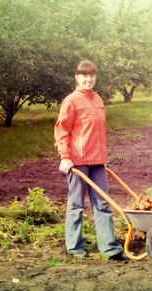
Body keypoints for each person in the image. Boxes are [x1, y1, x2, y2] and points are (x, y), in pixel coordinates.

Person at [54, 60, 126, 260]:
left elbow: (99, 132)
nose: (88, 79)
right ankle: (75, 247)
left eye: (92, 75)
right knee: (76, 205)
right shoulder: (71, 101)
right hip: (78, 161)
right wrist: (65, 157)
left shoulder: (98, 100)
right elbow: (62, 131)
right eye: (84, 75)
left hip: (97, 161)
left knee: (103, 204)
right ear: (77, 77)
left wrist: (103, 156)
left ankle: (109, 248)